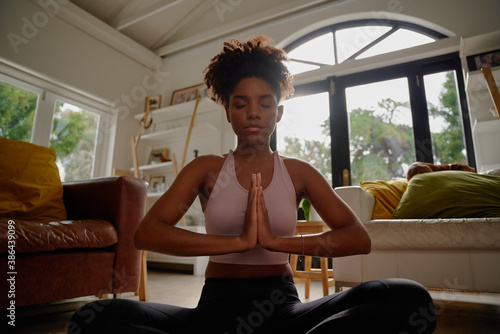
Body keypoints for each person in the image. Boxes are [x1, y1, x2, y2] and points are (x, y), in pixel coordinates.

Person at [68, 36, 436, 334]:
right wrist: (238, 242)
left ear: (279, 112)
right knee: (93, 318)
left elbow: (359, 238)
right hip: (214, 311)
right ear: (228, 111)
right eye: (241, 103)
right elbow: (147, 233)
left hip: (284, 309)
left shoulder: (299, 172)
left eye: (265, 103)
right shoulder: (206, 169)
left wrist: (277, 243)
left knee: (407, 298)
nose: (254, 112)